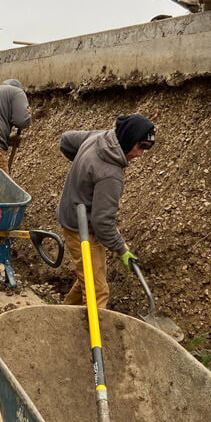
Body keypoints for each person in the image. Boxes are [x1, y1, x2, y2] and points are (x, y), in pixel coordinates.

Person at [56, 114, 155, 310]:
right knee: (98, 291)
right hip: (81, 228)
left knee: (90, 276)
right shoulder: (110, 174)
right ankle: (92, 338)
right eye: (140, 146)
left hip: (75, 215)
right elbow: (102, 223)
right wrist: (120, 249)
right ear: (128, 139)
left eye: (147, 148)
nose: (141, 154)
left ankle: (63, 315)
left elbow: (66, 140)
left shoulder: (100, 138)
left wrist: (84, 171)